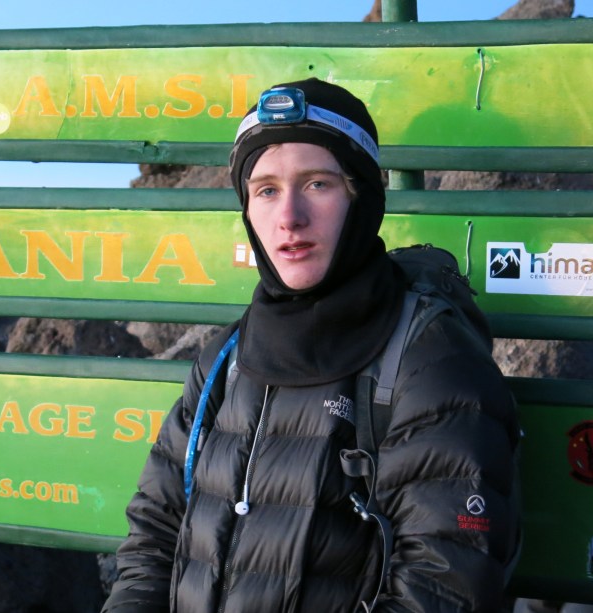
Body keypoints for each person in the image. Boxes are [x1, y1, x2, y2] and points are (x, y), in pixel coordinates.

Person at [103, 78, 521, 612]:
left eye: (318, 184)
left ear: (361, 197)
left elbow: (442, 589)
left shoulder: (429, 360)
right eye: (266, 190)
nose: (289, 217)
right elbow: (154, 534)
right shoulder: (227, 357)